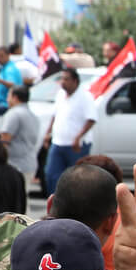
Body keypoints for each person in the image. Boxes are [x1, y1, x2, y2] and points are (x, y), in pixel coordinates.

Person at [43, 67, 97, 195]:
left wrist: (78, 137)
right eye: (62, 78)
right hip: (58, 142)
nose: (63, 82)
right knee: (51, 174)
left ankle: (73, 203)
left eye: (66, 79)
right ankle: (55, 202)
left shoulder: (85, 96)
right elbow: (54, 115)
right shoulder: (60, 94)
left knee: (76, 178)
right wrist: (48, 133)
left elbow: (91, 119)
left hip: (76, 146)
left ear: (75, 81)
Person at [0, 84, 40, 191]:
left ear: (15, 97)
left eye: (8, 96)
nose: (7, 99)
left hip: (15, 166)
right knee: (22, 198)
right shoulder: (33, 115)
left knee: (12, 199)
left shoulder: (13, 114)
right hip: (29, 164)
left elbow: (4, 140)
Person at [0, 45, 24, 114]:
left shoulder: (10, 69)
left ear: (8, 56)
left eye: (1, 56)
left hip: (7, 105)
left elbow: (13, 85)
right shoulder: (4, 68)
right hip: (2, 103)